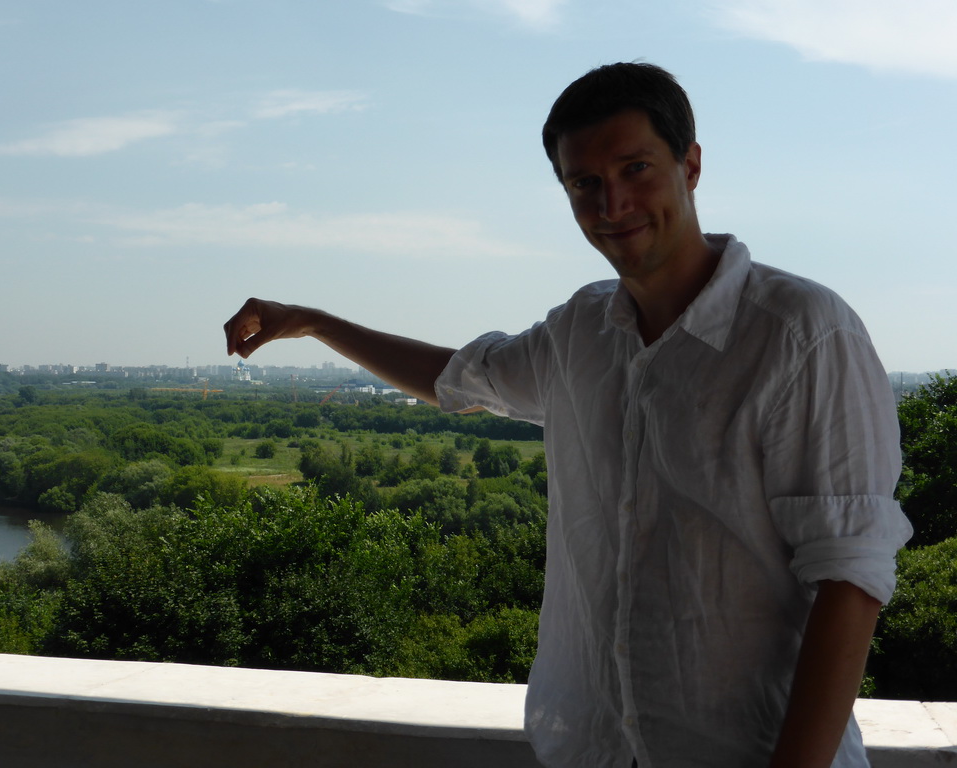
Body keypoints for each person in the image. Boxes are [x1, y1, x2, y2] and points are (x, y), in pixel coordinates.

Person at [224, 62, 912, 768]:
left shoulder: (800, 333)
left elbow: (850, 579)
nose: (612, 202)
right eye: (584, 183)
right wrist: (312, 323)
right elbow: (459, 377)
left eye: (636, 167)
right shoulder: (583, 331)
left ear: (692, 165)